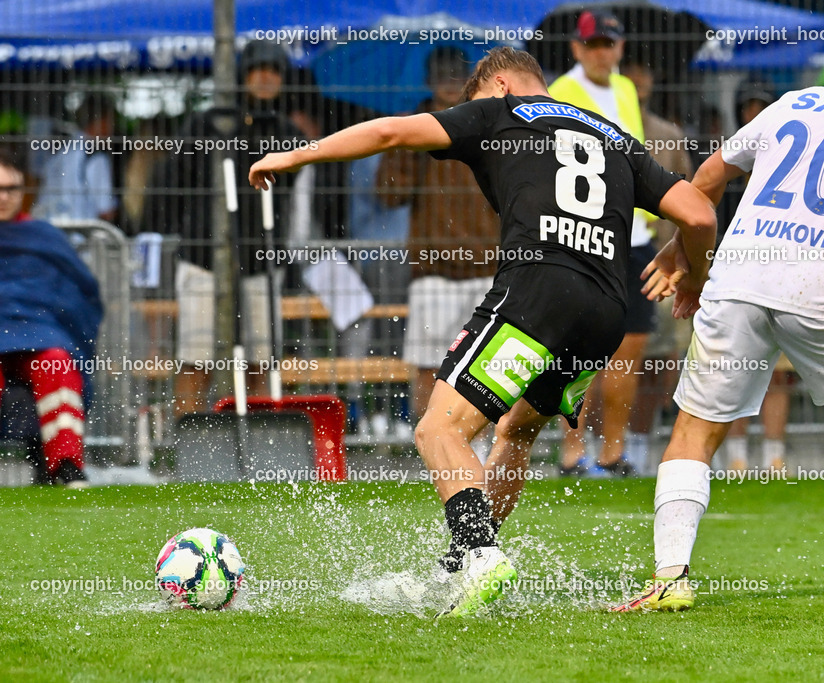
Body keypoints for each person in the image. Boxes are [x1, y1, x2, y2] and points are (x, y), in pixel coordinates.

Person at [249, 47, 717, 616]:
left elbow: (393, 133)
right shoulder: (614, 135)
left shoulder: (500, 110)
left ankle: (481, 557)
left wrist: (300, 155)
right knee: (515, 433)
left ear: (497, 85)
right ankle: (459, 568)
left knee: (438, 431)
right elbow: (698, 213)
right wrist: (692, 269)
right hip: (605, 312)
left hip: (538, 291)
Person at [616, 39, 824, 612]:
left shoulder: (791, 102)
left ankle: (669, 577)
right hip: (818, 282)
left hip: (739, 276)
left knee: (694, 432)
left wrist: (685, 255)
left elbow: (707, 176)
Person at [146, 39, 312, 418]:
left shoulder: (288, 133)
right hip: (204, 259)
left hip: (261, 261)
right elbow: (170, 185)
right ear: (242, 74)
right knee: (197, 357)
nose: (267, 77)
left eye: (275, 70)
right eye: (259, 69)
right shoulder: (206, 124)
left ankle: (263, 441)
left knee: (261, 359)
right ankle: (186, 442)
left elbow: (290, 195)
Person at [549, 8, 655, 476]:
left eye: (607, 44)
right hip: (587, 236)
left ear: (620, 46)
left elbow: (634, 159)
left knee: (629, 349)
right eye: (592, 45)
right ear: (576, 48)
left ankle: (614, 451)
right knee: (577, 349)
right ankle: (573, 451)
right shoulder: (561, 93)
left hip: (634, 237)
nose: (600, 52)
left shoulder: (626, 89)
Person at [376, 46, 500, 425]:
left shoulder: (490, 125)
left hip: (488, 270)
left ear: (469, 81)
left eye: (456, 74)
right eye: (441, 74)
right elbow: (388, 194)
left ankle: (477, 449)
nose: (449, 82)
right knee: (429, 367)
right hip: (433, 272)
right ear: (429, 80)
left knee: (485, 372)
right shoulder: (412, 126)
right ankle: (430, 444)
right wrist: (414, 147)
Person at [0, 148, 103, 486]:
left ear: (24, 190)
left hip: (40, 338)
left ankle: (66, 467)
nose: (4, 197)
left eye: (11, 188)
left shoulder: (45, 238)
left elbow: (79, 298)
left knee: (57, 361)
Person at [620, 58, 694, 474]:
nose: (638, 77)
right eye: (630, 71)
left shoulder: (668, 135)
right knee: (605, 361)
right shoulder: (599, 126)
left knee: (658, 364)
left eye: (645, 69)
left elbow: (692, 197)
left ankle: (641, 446)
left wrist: (683, 256)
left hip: (661, 262)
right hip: (611, 259)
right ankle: (601, 445)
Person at [718, 80, 795, 473]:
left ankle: (774, 455)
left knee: (778, 377)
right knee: (735, 373)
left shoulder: (792, 170)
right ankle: (735, 458)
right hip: (736, 282)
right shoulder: (728, 168)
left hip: (782, 282)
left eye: (762, 106)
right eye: (748, 107)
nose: (755, 114)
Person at [32, 92, 117, 223]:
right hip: (78, 236)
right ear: (101, 121)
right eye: (111, 121)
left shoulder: (58, 149)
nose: (112, 128)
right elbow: (106, 210)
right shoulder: (95, 156)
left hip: (47, 229)